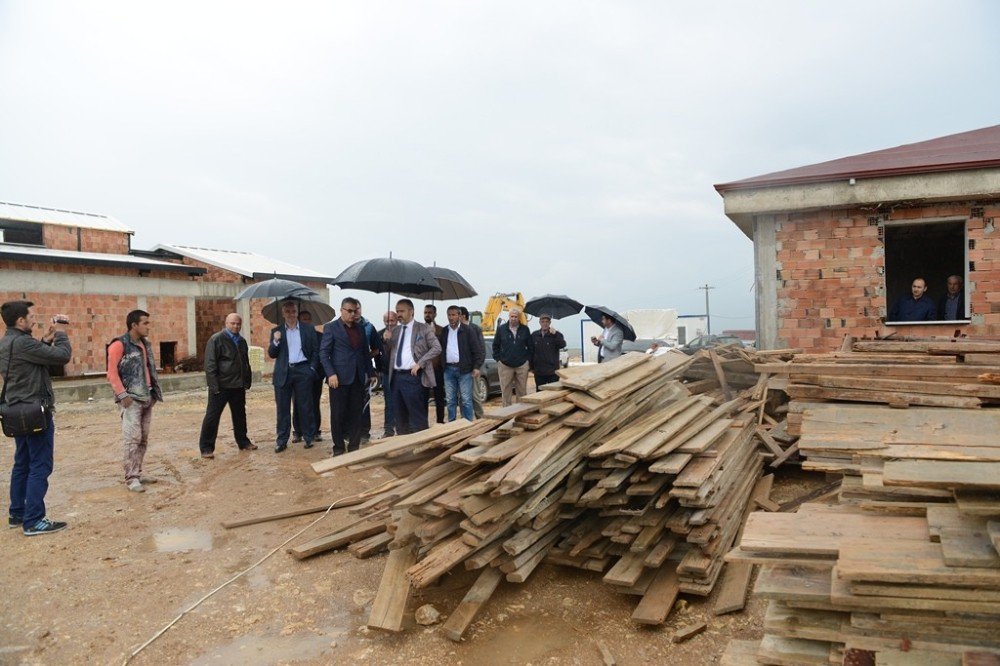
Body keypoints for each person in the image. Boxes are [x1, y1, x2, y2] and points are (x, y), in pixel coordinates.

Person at [1, 300, 72, 535]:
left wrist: (44, 342)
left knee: (22, 463)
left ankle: (18, 513)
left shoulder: (7, 342)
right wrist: (60, 335)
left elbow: (29, 361)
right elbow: (62, 357)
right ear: (20, 320)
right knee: (40, 465)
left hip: (16, 411)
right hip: (34, 413)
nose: (35, 319)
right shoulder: (23, 343)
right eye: (31, 316)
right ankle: (34, 520)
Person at [107, 309, 162, 492]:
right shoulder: (119, 344)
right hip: (131, 400)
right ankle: (131, 478)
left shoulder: (145, 344)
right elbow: (112, 373)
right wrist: (123, 396)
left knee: (143, 439)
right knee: (132, 439)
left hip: (147, 397)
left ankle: (137, 471)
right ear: (134, 325)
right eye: (145, 323)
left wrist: (154, 394)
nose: (148, 327)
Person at [320, 297, 377, 455]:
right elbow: (324, 353)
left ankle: (354, 447)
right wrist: (330, 373)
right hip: (338, 379)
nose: (352, 314)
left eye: (355, 311)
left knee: (356, 414)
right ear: (342, 310)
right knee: (338, 415)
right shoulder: (331, 328)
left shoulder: (360, 328)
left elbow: (364, 352)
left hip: (358, 378)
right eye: (349, 311)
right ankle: (338, 448)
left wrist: (371, 373)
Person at [198, 313, 256, 458]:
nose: (235, 326)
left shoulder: (241, 341)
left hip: (238, 386)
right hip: (221, 386)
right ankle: (206, 447)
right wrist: (214, 386)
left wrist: (247, 381)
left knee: (240, 416)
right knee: (212, 416)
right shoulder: (216, 339)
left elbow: (245, 363)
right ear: (226, 323)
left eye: (238, 324)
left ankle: (243, 442)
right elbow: (210, 364)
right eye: (232, 323)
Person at [268, 300, 321, 452]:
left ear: (297, 313)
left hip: (303, 370)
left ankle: (309, 437)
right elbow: (272, 353)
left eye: (293, 311)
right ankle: (282, 440)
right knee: (283, 408)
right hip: (283, 372)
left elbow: (315, 351)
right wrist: (276, 341)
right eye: (288, 312)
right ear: (283, 314)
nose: (291, 314)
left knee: (305, 406)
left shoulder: (308, 329)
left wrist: (311, 368)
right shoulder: (276, 331)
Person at [385, 299, 441, 434]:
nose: (399, 314)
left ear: (411, 311)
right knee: (400, 416)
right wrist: (387, 340)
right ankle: (404, 449)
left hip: (414, 377)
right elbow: (390, 352)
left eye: (402, 311)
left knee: (417, 418)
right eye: (397, 311)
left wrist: (420, 363)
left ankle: (421, 448)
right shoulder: (396, 330)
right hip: (396, 378)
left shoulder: (423, 328)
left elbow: (437, 348)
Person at [437, 305, 484, 422]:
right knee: (450, 399)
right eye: (449, 315)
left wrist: (476, 367)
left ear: (459, 316)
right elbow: (439, 350)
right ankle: (452, 424)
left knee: (466, 399)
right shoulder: (444, 331)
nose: (451, 317)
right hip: (448, 370)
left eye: (453, 315)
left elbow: (477, 350)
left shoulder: (468, 330)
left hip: (464, 370)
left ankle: (467, 424)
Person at [292, 310, 324, 443]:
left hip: (315, 375)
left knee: (314, 403)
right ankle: (298, 432)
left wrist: (312, 369)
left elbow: (322, 354)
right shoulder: (292, 336)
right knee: (298, 403)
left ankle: (315, 431)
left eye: (308, 319)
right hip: (297, 375)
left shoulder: (320, 336)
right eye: (303, 319)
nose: (306, 322)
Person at [354, 303, 383, 444]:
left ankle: (365, 432)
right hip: (348, 371)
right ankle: (350, 431)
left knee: (364, 402)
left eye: (358, 308)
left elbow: (377, 349)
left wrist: (365, 358)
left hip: (365, 371)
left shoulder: (369, 327)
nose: (355, 311)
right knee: (350, 403)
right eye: (352, 309)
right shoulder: (343, 326)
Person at [493, 307, 533, 406]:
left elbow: (531, 347)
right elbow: (495, 345)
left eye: (515, 316)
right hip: (505, 366)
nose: (513, 318)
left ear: (519, 317)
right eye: (512, 316)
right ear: (509, 317)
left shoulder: (525, 329)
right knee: (506, 392)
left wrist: (527, 361)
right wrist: (498, 360)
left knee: (522, 392)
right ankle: (507, 415)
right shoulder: (501, 329)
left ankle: (521, 414)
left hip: (521, 365)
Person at [459, 306, 486, 418]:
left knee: (475, 396)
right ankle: (464, 419)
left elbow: (481, 350)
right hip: (460, 369)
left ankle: (481, 418)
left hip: (473, 369)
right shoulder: (456, 330)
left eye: (457, 314)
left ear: (463, 316)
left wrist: (477, 366)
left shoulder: (475, 329)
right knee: (462, 396)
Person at [377, 310, 398, 436]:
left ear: (397, 320)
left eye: (392, 320)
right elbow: (377, 353)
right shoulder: (379, 334)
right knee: (389, 403)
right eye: (387, 321)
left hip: (400, 372)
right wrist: (384, 341)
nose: (389, 323)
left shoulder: (402, 333)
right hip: (386, 373)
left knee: (402, 401)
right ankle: (388, 430)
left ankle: (403, 428)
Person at [530, 314, 566, 389]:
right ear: (539, 322)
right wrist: (531, 367)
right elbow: (531, 352)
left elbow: (562, 344)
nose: (545, 323)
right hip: (539, 372)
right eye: (543, 321)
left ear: (550, 323)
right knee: (539, 394)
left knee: (552, 394)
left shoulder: (557, 334)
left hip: (552, 372)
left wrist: (555, 334)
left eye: (547, 321)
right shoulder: (534, 335)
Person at [424, 304, 446, 424]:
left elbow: (442, 348)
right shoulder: (420, 328)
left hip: (437, 369)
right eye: (425, 312)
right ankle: (423, 423)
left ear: (435, 314)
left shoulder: (441, 330)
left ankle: (440, 421)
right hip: (424, 370)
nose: (427, 315)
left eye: (430, 312)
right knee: (423, 398)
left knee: (439, 398)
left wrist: (434, 335)